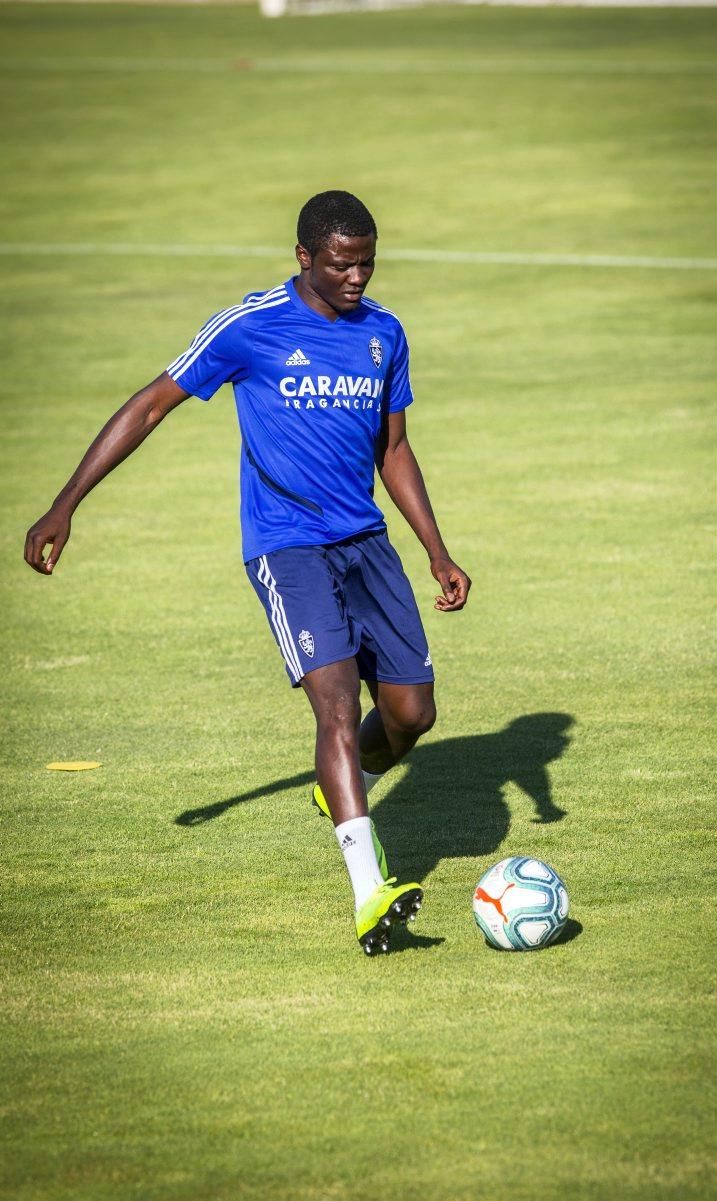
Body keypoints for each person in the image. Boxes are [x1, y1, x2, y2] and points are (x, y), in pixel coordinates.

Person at [24, 190, 471, 955]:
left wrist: (436, 547)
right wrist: (65, 503)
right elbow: (150, 405)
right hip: (286, 546)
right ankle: (371, 893)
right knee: (333, 705)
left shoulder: (384, 334)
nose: (357, 276)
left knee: (411, 715)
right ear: (304, 258)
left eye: (367, 261)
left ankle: (336, 786)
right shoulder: (251, 326)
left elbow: (393, 449)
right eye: (341, 264)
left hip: (365, 543)